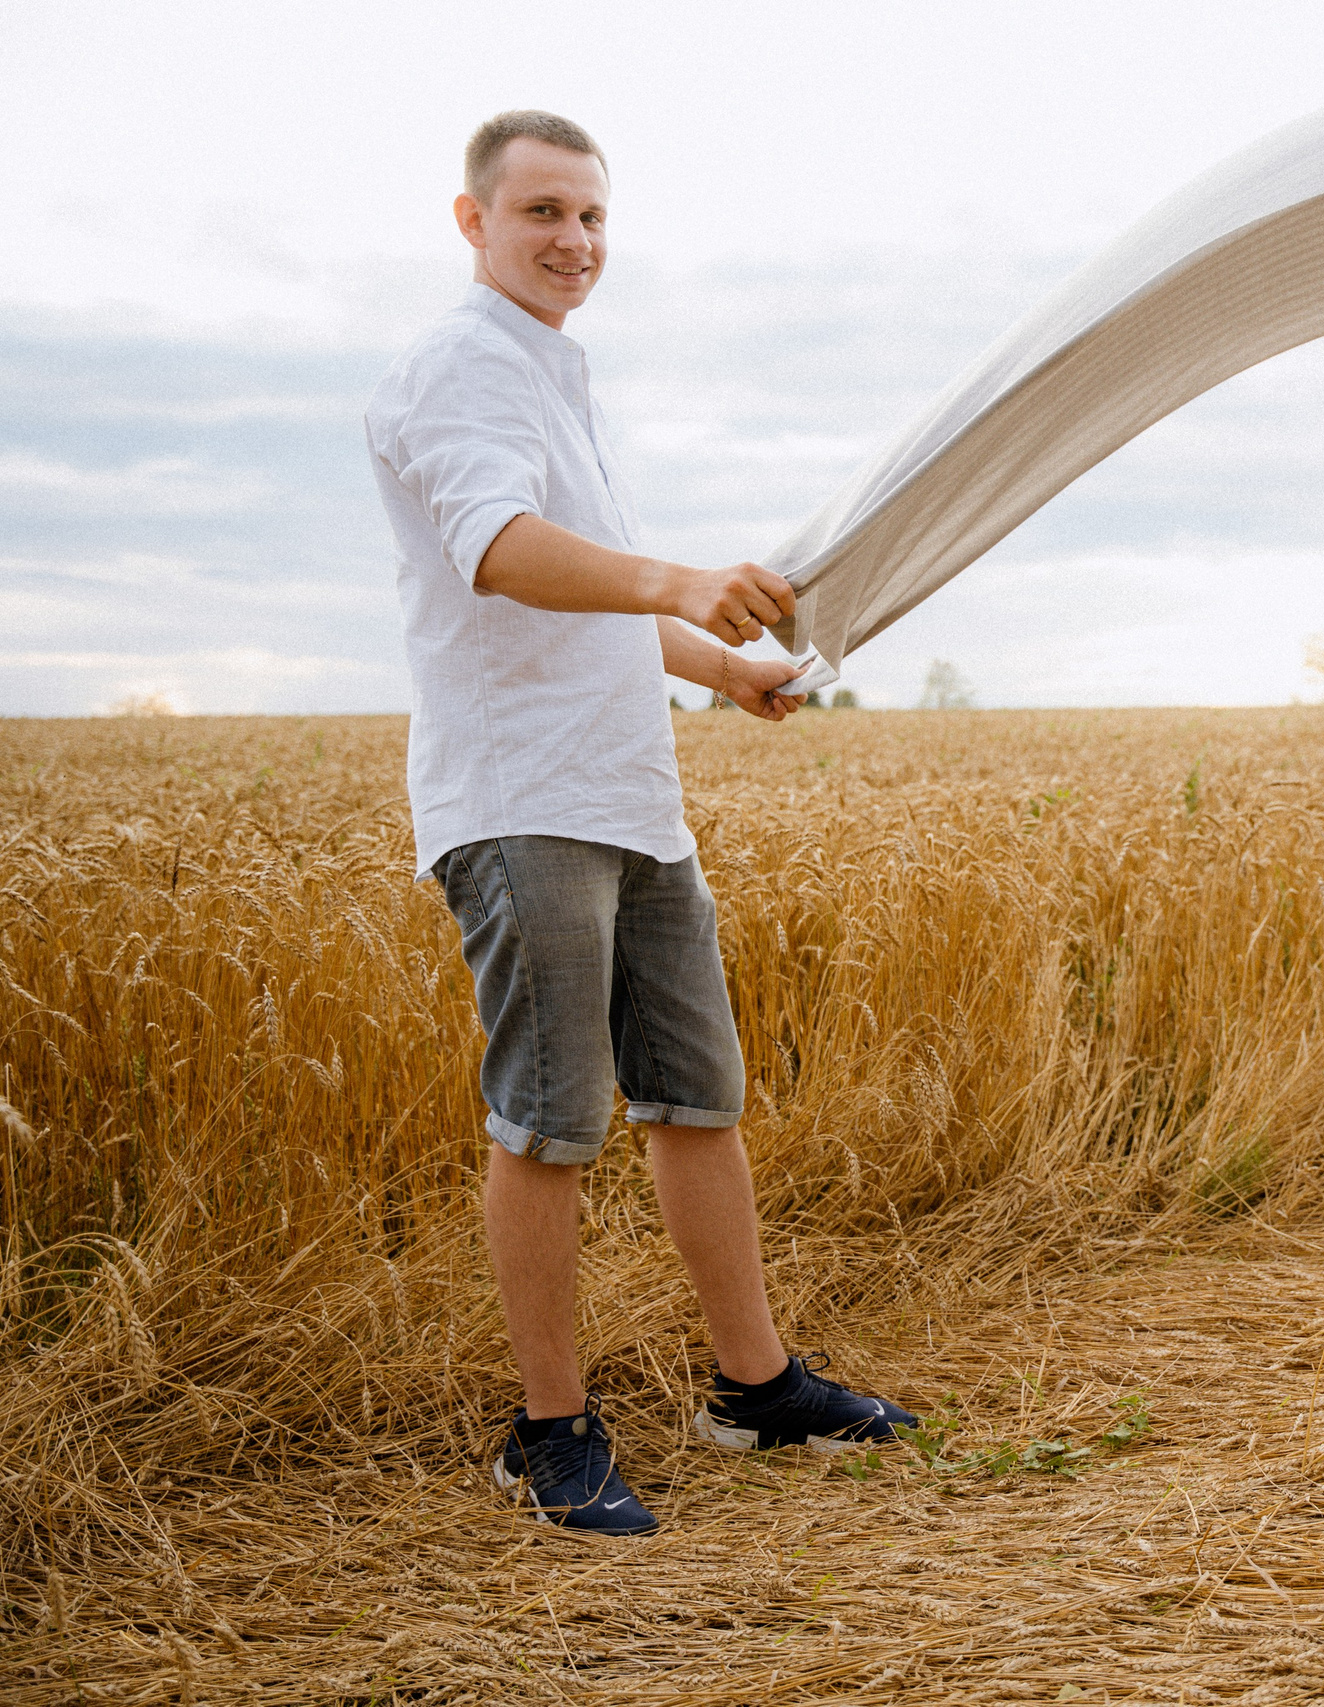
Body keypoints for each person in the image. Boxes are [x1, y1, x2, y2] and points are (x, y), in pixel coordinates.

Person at [365, 110, 914, 1536]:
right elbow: (502, 552)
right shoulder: (459, 366)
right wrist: (679, 581)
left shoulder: (557, 373)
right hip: (523, 797)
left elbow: (592, 594)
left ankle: (756, 1386)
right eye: (543, 211)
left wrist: (721, 666)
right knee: (552, 1121)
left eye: (593, 216)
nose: (576, 240)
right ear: (473, 220)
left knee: (697, 1096)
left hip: (632, 797)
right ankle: (547, 1432)